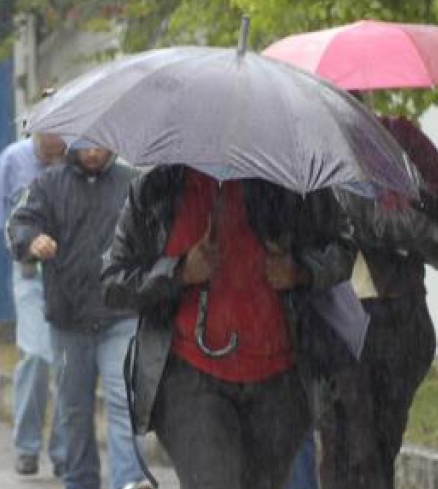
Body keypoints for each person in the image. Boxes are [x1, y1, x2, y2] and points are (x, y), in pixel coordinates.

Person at [101, 165, 356, 489]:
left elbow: (343, 248)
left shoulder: (295, 184)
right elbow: (113, 283)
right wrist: (179, 271)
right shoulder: (156, 188)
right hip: (190, 380)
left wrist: (300, 270)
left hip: (279, 386)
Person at [318, 114, 438, 489]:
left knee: (379, 449)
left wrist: (408, 194)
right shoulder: (307, 151)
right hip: (335, 323)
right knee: (351, 449)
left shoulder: (397, 138)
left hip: (398, 318)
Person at [7, 142, 150, 489]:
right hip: (69, 320)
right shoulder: (48, 184)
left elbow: (157, 232)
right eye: (85, 147)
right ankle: (80, 480)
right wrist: (32, 240)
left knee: (125, 401)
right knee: (73, 411)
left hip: (121, 314)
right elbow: (19, 223)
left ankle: (129, 481)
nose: (93, 154)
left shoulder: (132, 183)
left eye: (99, 146)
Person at [0, 133, 68, 476]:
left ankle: (64, 451)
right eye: (48, 152)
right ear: (35, 132)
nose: (54, 160)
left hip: (70, 276)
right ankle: (27, 445)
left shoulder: (79, 156)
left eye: (60, 153)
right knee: (36, 356)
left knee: (68, 363)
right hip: (30, 275)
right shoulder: (12, 160)